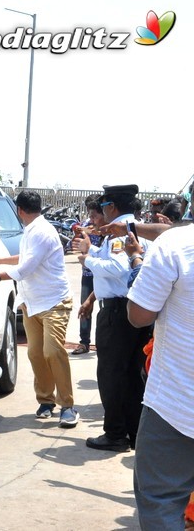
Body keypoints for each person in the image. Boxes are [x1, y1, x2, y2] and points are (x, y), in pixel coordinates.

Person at [0, 191, 79, 428]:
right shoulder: (32, 230)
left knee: (53, 351)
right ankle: (46, 402)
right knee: (35, 353)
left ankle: (67, 406)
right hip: (31, 303)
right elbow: (25, 258)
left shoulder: (42, 232)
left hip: (54, 302)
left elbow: (25, 268)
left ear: (19, 210)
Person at [126, 201, 194, 529]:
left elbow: (139, 315)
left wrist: (138, 261)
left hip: (177, 408)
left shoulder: (176, 245)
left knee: (162, 502)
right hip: (177, 405)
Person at [71, 184, 153, 452]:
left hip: (118, 312)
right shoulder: (136, 228)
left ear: (111, 207)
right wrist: (92, 252)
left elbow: (119, 268)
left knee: (111, 375)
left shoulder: (120, 231)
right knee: (131, 376)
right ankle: (133, 432)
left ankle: (115, 433)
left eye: (103, 207)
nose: (101, 212)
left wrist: (86, 259)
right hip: (134, 310)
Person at [70, 194, 104, 355]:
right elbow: (74, 243)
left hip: (103, 274)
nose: (91, 217)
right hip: (88, 274)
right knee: (85, 308)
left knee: (104, 311)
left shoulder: (110, 229)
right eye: (90, 214)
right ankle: (84, 342)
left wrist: (97, 233)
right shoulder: (85, 225)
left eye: (94, 214)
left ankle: (103, 342)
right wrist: (78, 234)